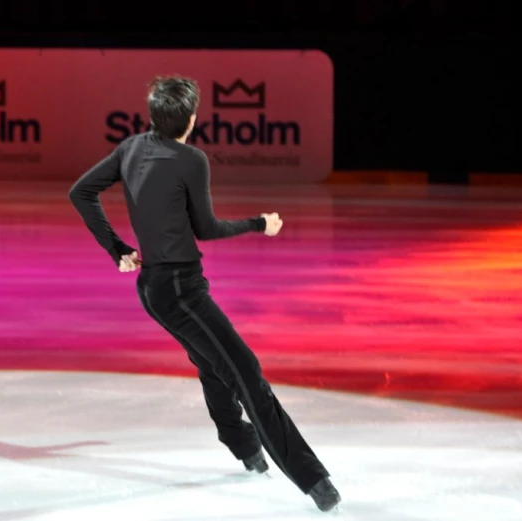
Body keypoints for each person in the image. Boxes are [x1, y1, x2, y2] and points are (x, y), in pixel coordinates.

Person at [68, 75, 340, 512]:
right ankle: (313, 480)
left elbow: (80, 192)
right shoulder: (191, 159)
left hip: (155, 289)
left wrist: (117, 249)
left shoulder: (131, 148)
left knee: (214, 363)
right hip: (180, 290)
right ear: (191, 119)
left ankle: (244, 446)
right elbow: (207, 229)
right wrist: (259, 223)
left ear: (154, 116)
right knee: (245, 372)